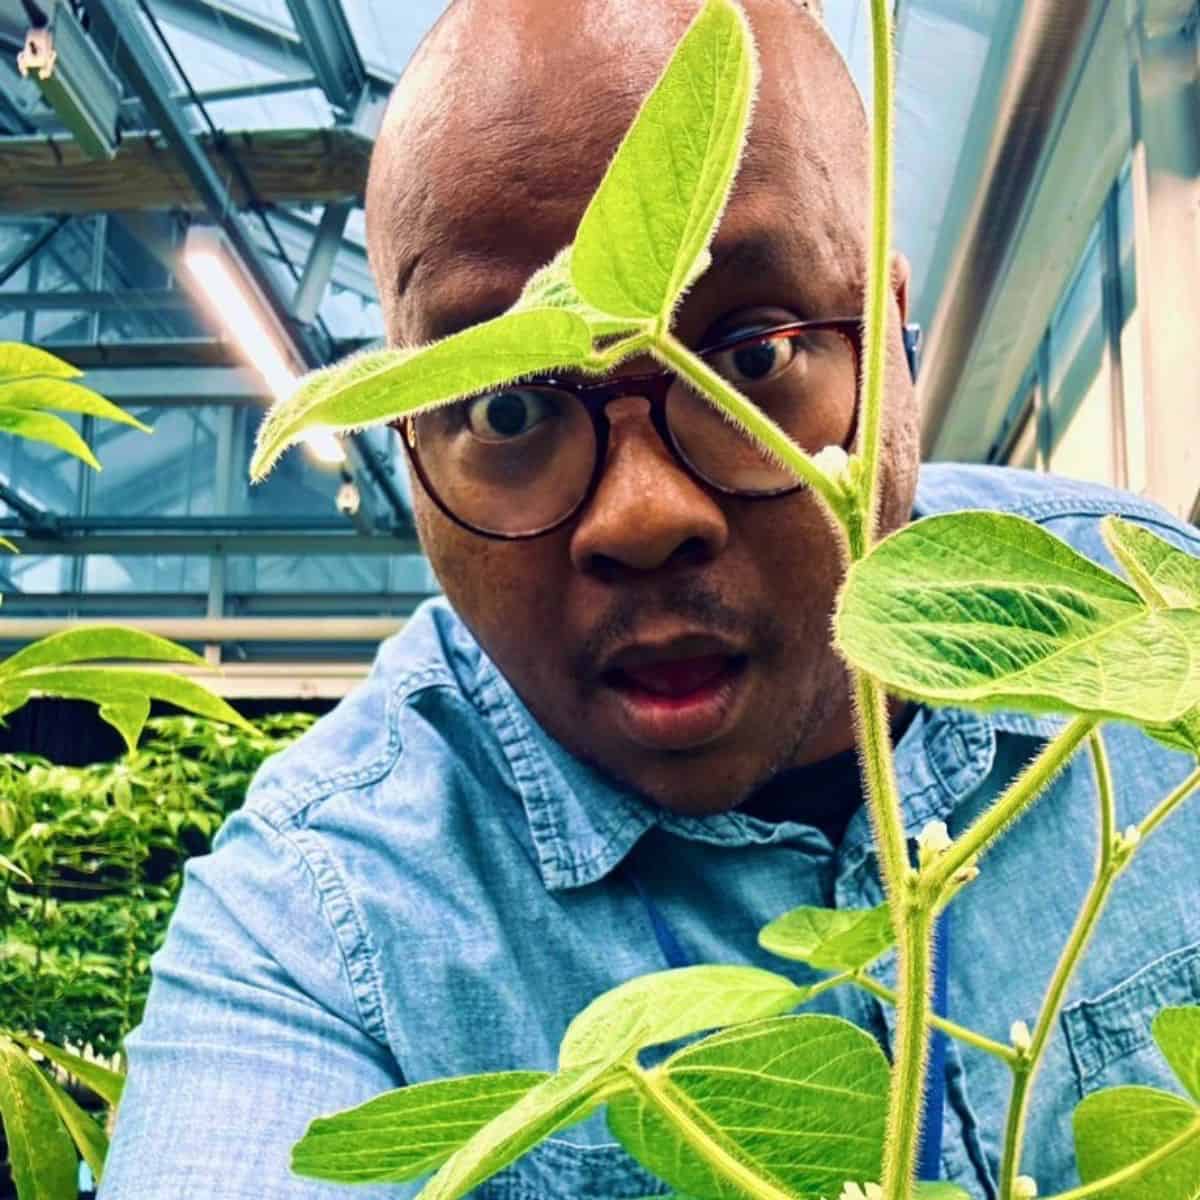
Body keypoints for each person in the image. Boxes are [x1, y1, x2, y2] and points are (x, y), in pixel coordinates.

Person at [98, 1, 1200, 1197]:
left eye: (753, 353)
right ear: (410, 444)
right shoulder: (324, 919)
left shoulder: (1146, 618)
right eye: (505, 403)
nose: (641, 515)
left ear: (892, 341)